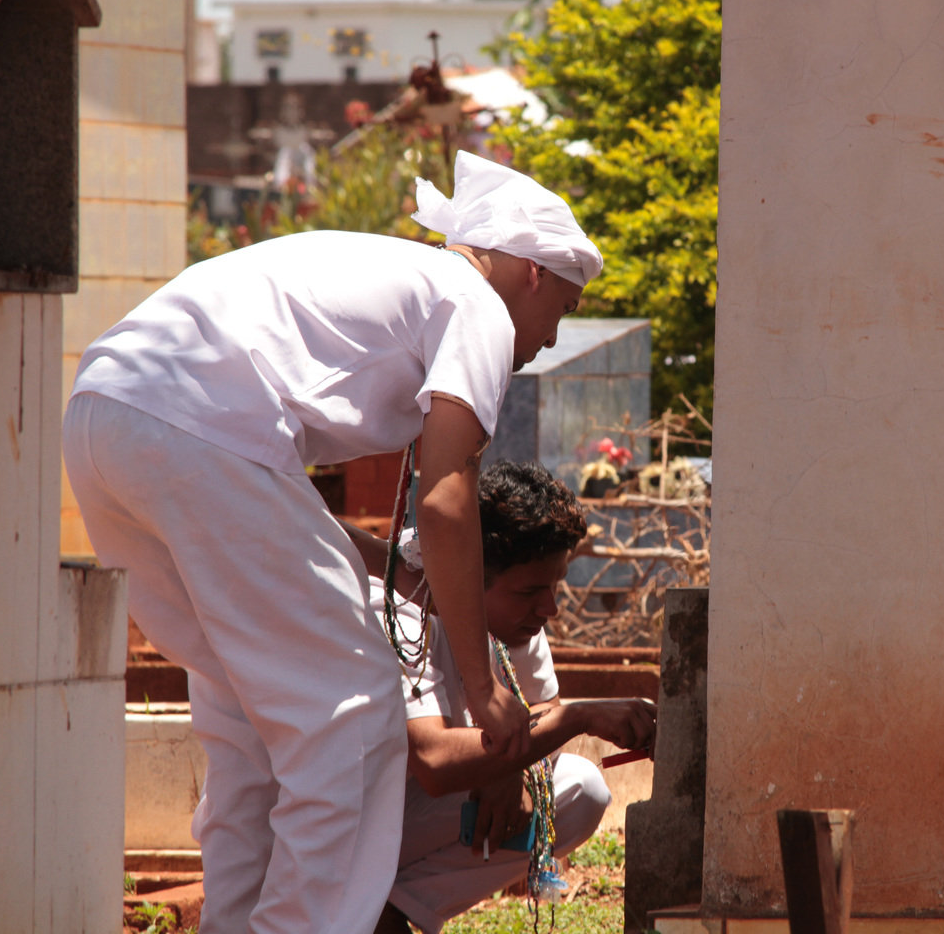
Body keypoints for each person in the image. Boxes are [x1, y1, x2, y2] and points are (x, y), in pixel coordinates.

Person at [62, 152, 602, 934]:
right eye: (564, 305)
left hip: (107, 415)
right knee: (352, 709)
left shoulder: (406, 281)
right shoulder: (473, 304)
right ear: (530, 273)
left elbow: (303, 519)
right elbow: (448, 500)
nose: (551, 339)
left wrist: (391, 566)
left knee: (250, 720)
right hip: (205, 429)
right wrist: (484, 687)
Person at [370, 461, 657, 934]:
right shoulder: (401, 606)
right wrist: (576, 719)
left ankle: (391, 907)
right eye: (529, 592)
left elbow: (539, 707)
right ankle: (360, 901)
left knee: (581, 789)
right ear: (470, 573)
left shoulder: (515, 615)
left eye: (553, 586)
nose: (550, 608)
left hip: (410, 817)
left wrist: (513, 765)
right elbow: (435, 762)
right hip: (351, 815)